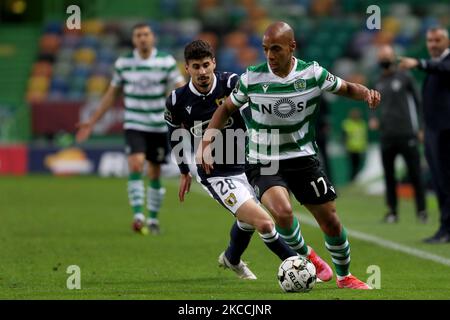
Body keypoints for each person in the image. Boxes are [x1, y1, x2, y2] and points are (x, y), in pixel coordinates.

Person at [198, 21, 381, 289]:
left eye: (276, 49)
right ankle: (309, 257)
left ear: (291, 47)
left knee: (330, 221)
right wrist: (206, 143)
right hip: (264, 158)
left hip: (303, 158)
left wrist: (366, 93)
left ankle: (345, 277)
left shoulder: (313, 74)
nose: (270, 56)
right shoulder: (252, 79)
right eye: (265, 49)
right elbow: (225, 109)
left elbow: (346, 88)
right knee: (282, 211)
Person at [165, 39, 304, 280]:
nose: (202, 72)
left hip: (249, 164)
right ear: (186, 68)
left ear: (214, 63)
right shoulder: (177, 100)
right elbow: (174, 133)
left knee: (249, 220)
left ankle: (231, 258)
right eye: (196, 67)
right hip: (215, 173)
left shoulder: (231, 83)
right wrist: (184, 170)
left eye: (206, 65)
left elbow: (254, 113)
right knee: (264, 223)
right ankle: (299, 266)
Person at [75, 23, 185, 235]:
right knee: (135, 165)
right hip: (135, 123)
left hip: (158, 124)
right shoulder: (124, 63)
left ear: (153, 38)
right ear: (134, 40)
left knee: (154, 172)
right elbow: (111, 94)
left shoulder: (166, 61)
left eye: (146, 34)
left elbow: (180, 88)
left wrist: (185, 112)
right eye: (138, 35)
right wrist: (92, 120)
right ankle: (138, 215)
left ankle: (152, 219)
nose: (142, 38)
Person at [399, 26, 450, 243]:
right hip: (432, 131)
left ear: (446, 41)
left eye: (437, 40)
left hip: (446, 131)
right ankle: (445, 228)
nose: (432, 44)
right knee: (439, 181)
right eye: (429, 40)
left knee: (447, 181)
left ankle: (447, 229)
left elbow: (442, 69)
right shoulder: (436, 66)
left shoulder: (443, 64)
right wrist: (423, 128)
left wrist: (419, 63)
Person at [371, 44, 428, 224]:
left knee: (415, 174)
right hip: (387, 135)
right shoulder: (377, 81)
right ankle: (392, 212)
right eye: (382, 57)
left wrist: (420, 128)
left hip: (407, 133)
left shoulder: (405, 77)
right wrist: (373, 117)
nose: (384, 60)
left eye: (387, 56)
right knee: (389, 176)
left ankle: (422, 210)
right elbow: (372, 103)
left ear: (394, 57)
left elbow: (419, 103)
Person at [342, 108, 368, 181]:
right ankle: (352, 180)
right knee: (352, 166)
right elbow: (344, 136)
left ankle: (356, 179)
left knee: (358, 165)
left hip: (360, 148)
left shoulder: (362, 123)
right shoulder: (347, 123)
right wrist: (345, 146)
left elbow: (364, 136)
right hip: (351, 148)